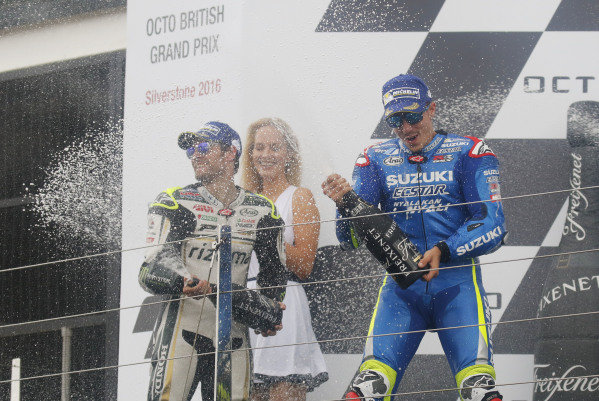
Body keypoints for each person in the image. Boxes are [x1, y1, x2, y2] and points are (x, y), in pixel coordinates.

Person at [321, 74, 507, 401]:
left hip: (457, 287)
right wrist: (344, 204)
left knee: (479, 391)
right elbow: (349, 240)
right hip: (401, 292)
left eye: (413, 116)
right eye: (395, 119)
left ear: (431, 109)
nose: (406, 128)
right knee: (366, 390)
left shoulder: (469, 151)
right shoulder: (374, 159)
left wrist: (444, 249)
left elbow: (494, 223)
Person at [139, 121, 289, 401]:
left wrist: (267, 312)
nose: (196, 154)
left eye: (205, 147)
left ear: (231, 153)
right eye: (191, 150)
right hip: (180, 333)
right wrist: (180, 282)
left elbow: (274, 275)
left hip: (234, 337)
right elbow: (147, 270)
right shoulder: (175, 201)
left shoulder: (262, 210)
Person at [241, 118, 328, 401]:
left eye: (275, 147)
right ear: (250, 154)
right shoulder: (241, 201)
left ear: (289, 154)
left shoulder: (298, 197)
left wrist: (266, 235)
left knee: (284, 393)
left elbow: (304, 265)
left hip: (284, 302)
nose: (266, 155)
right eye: (259, 147)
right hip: (244, 304)